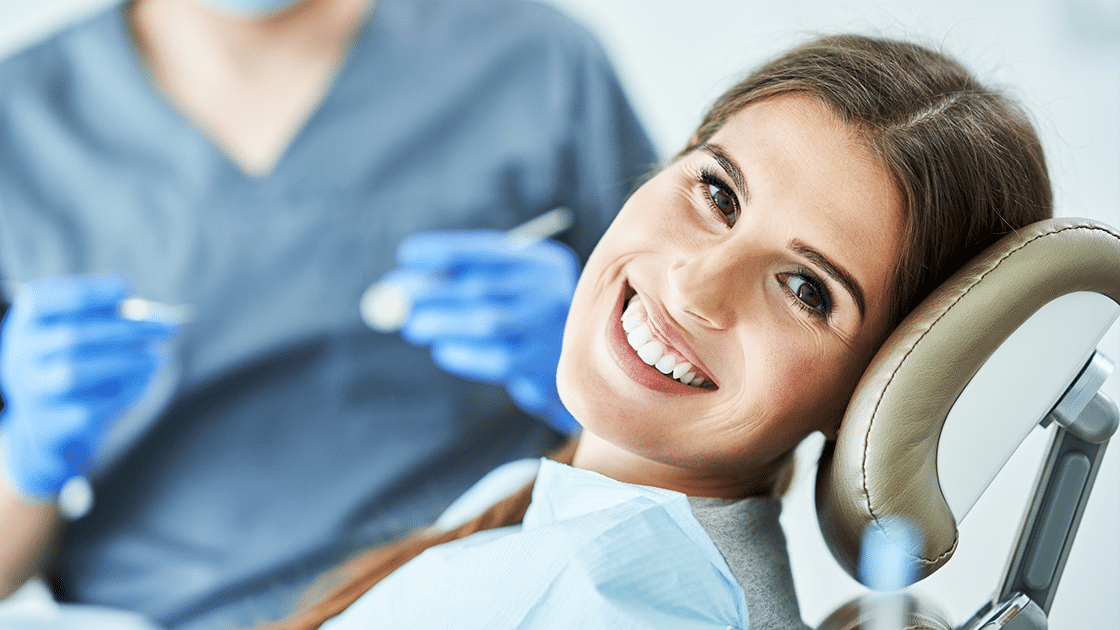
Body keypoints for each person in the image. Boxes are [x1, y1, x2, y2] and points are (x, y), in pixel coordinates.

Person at [258, 33, 1054, 630]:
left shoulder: (611, 596)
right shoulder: (553, 516)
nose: (696, 285)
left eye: (807, 290)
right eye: (717, 192)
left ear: (878, 390)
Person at [0, 0, 657, 627]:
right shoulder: (20, 122)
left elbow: (718, 440)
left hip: (488, 589)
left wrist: (586, 379)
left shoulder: (536, 61)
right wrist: (27, 465)